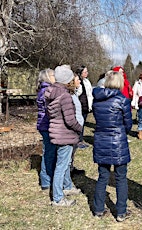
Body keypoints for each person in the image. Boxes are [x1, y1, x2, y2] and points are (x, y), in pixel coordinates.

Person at [92, 71, 133, 222]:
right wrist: (122, 130)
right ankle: (121, 212)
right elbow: (128, 124)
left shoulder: (97, 100)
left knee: (103, 176)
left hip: (101, 140)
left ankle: (98, 209)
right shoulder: (122, 100)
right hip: (118, 143)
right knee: (121, 177)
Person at [45, 65, 83, 207]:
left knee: (64, 163)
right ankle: (58, 198)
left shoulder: (50, 93)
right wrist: (79, 129)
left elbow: (51, 114)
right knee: (61, 165)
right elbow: (70, 120)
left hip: (56, 132)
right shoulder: (65, 96)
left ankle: (67, 186)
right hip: (65, 134)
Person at [36, 68, 56, 190]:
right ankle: (46, 180)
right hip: (46, 125)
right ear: (48, 77)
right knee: (49, 152)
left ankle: (48, 177)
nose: (56, 77)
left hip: (45, 124)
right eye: (53, 75)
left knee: (49, 152)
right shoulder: (46, 91)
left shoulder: (45, 89)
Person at [75, 65, 93, 150]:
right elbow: (77, 94)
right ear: (80, 73)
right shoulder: (77, 82)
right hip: (80, 105)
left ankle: (81, 140)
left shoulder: (87, 81)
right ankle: (78, 141)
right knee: (79, 123)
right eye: (85, 72)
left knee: (83, 123)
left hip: (86, 105)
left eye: (87, 71)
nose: (87, 73)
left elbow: (90, 94)